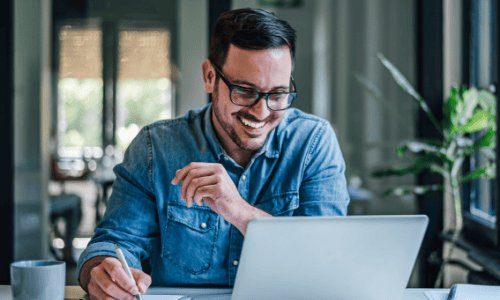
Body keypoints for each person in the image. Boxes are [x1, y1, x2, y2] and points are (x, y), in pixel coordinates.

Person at [77, 8, 350, 300]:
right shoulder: (155, 148)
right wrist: (104, 274)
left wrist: (239, 211)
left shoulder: (313, 143)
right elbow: (113, 244)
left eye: (278, 94)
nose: (262, 111)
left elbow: (325, 259)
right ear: (210, 77)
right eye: (245, 91)